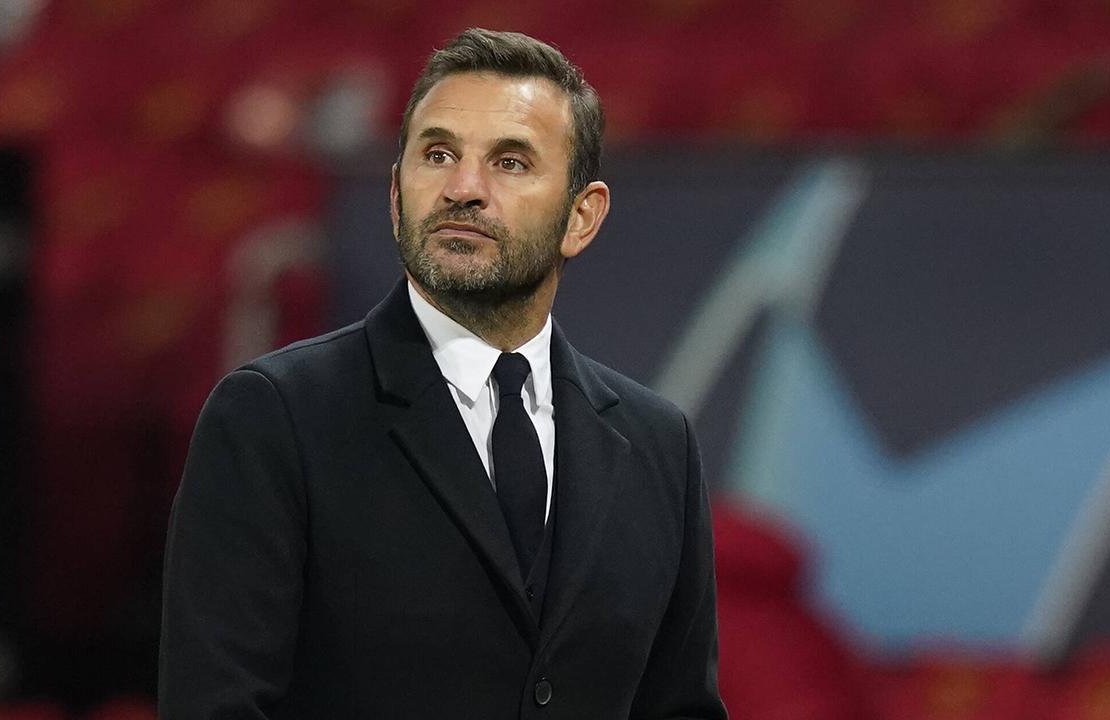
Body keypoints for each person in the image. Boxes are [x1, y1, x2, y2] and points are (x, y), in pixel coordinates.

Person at [159, 28, 726, 719]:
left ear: (582, 217)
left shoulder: (658, 444)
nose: (463, 189)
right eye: (437, 155)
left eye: (510, 162)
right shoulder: (274, 418)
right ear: (397, 196)